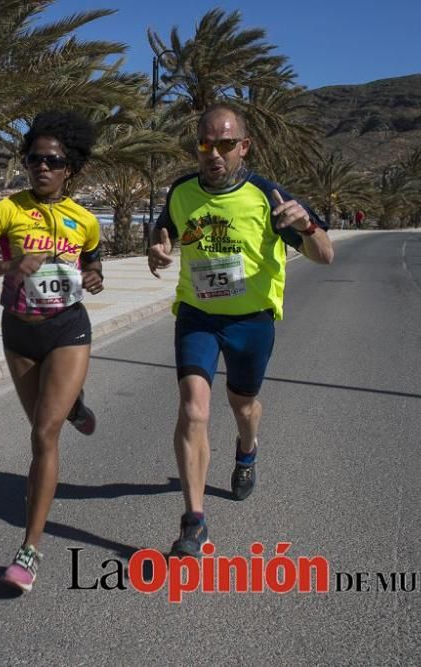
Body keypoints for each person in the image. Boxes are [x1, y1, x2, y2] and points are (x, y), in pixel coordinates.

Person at [147, 103, 334, 558]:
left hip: (252, 321)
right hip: (198, 315)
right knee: (193, 409)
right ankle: (194, 522)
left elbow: (324, 254)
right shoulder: (181, 191)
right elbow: (162, 232)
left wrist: (306, 225)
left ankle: (247, 449)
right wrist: (156, 249)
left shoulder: (269, 197)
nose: (214, 153)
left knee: (243, 404)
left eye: (225, 144)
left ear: (243, 147)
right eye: (206, 144)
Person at [0, 110, 103, 592]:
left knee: (44, 433)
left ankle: (30, 550)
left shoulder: (85, 220)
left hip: (67, 330)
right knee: (44, 421)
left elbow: (93, 265)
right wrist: (10, 263)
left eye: (53, 161)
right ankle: (75, 401)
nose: (42, 167)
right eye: (34, 159)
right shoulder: (6, 211)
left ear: (69, 168)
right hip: (19, 331)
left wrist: (95, 277)